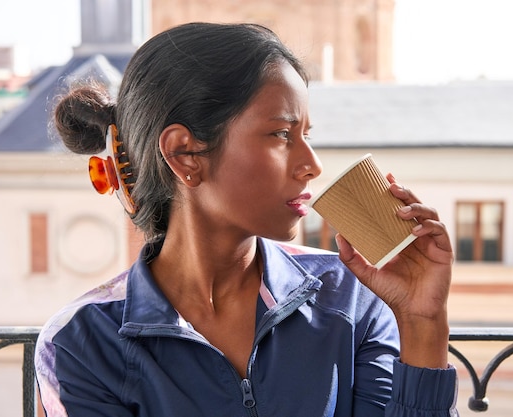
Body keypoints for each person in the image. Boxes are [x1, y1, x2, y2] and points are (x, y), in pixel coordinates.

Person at [35, 22, 458, 417]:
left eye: (306, 136)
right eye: (281, 134)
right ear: (185, 154)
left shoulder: (351, 297)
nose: (312, 164)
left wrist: (422, 323)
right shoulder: (81, 343)